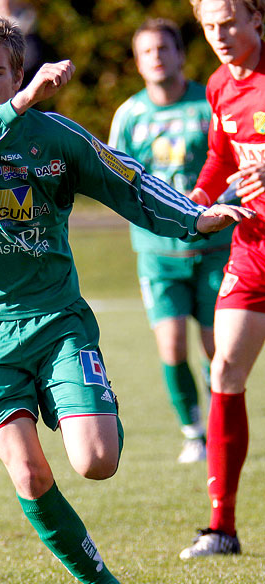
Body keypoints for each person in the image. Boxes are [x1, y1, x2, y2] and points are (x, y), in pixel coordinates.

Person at [0, 16, 252, 584]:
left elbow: (127, 179)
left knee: (97, 460)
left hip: (57, 321)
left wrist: (194, 217)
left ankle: (95, 404)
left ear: (16, 71)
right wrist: (18, 105)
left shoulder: (56, 136)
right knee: (27, 468)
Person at [109, 18, 231, 464]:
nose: (157, 57)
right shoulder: (130, 115)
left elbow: (234, 162)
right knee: (172, 346)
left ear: (180, 54)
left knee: (217, 346)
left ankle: (219, 427)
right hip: (158, 254)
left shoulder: (209, 103)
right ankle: (193, 431)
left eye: (164, 48)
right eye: (147, 52)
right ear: (138, 63)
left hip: (216, 250)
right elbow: (116, 178)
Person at [179, 0, 265, 559]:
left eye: (230, 23)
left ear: (258, 17)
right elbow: (219, 156)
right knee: (225, 367)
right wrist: (199, 199)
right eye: (210, 26)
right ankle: (222, 527)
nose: (220, 36)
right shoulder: (218, 86)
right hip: (253, 246)